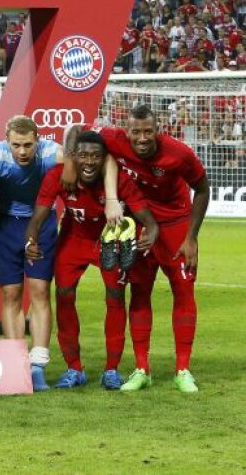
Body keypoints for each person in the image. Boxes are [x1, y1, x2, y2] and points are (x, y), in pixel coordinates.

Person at [0, 116, 118, 391]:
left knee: (41, 291)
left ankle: (38, 366)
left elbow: (108, 158)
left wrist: (106, 192)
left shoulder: (50, 153)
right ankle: (16, 363)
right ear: (7, 141)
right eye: (16, 145)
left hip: (41, 223)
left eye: (28, 145)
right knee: (11, 294)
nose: (22, 151)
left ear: (38, 139)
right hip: (5, 225)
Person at [26, 131, 159, 390]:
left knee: (115, 297)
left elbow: (149, 220)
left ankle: (111, 369)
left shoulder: (119, 181)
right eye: (83, 155)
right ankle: (74, 368)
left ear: (104, 158)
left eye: (96, 156)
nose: (89, 162)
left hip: (109, 241)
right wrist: (31, 239)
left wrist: (151, 233)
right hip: (73, 240)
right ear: (73, 156)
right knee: (63, 295)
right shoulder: (58, 175)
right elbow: (38, 217)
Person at [97, 105, 209, 393]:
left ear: (158, 129)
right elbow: (76, 138)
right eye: (137, 132)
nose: (143, 138)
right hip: (141, 224)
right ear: (127, 131)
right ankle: (142, 369)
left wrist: (192, 237)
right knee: (140, 291)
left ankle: (183, 369)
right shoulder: (113, 138)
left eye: (149, 131)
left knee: (183, 292)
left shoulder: (179, 153)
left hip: (176, 225)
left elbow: (203, 189)